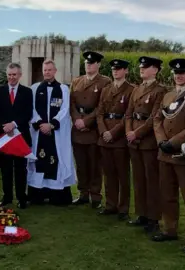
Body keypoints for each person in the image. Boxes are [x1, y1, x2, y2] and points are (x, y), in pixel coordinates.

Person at [152, 58, 185, 255]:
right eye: (176, 73)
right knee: (167, 195)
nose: (179, 75)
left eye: (183, 72)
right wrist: (160, 142)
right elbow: (158, 119)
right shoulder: (168, 96)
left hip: (183, 154)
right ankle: (170, 229)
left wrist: (171, 143)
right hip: (164, 153)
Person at [124, 56, 167, 232]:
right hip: (133, 139)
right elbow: (128, 113)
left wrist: (136, 133)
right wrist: (128, 131)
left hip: (148, 140)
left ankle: (153, 217)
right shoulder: (137, 89)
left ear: (155, 70)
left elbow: (154, 118)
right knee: (139, 179)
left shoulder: (160, 90)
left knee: (152, 180)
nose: (141, 69)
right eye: (141, 67)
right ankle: (141, 213)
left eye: (146, 67)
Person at [27, 59, 76, 206]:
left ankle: (58, 196)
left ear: (55, 71)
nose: (47, 72)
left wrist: (52, 124)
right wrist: (40, 123)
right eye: (45, 70)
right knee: (39, 159)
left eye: (50, 70)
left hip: (56, 133)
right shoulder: (35, 88)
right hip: (39, 133)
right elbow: (32, 108)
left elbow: (65, 109)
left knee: (57, 160)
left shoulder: (63, 89)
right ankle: (38, 195)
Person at [70, 51, 112, 209]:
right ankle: (83, 193)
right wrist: (76, 120)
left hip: (93, 128)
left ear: (99, 65)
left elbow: (102, 106)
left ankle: (95, 195)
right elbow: (71, 103)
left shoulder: (105, 82)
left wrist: (86, 121)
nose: (89, 65)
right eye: (87, 63)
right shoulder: (77, 81)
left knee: (94, 164)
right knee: (80, 164)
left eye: (92, 63)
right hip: (77, 127)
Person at [0, 62, 33, 209]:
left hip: (20, 136)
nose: (11, 77)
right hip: (3, 136)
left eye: (14, 74)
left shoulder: (27, 92)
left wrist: (13, 124)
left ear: (20, 75)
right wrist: (4, 125)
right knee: (6, 169)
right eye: (9, 74)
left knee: (21, 169)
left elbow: (28, 113)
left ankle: (22, 198)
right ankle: (7, 197)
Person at [96, 58, 134, 219]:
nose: (115, 71)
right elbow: (99, 113)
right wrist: (104, 131)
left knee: (122, 174)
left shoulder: (131, 89)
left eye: (119, 69)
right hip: (105, 136)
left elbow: (128, 115)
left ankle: (123, 207)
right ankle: (110, 204)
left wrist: (113, 132)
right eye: (113, 69)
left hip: (119, 137)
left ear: (125, 71)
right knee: (108, 173)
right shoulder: (107, 89)